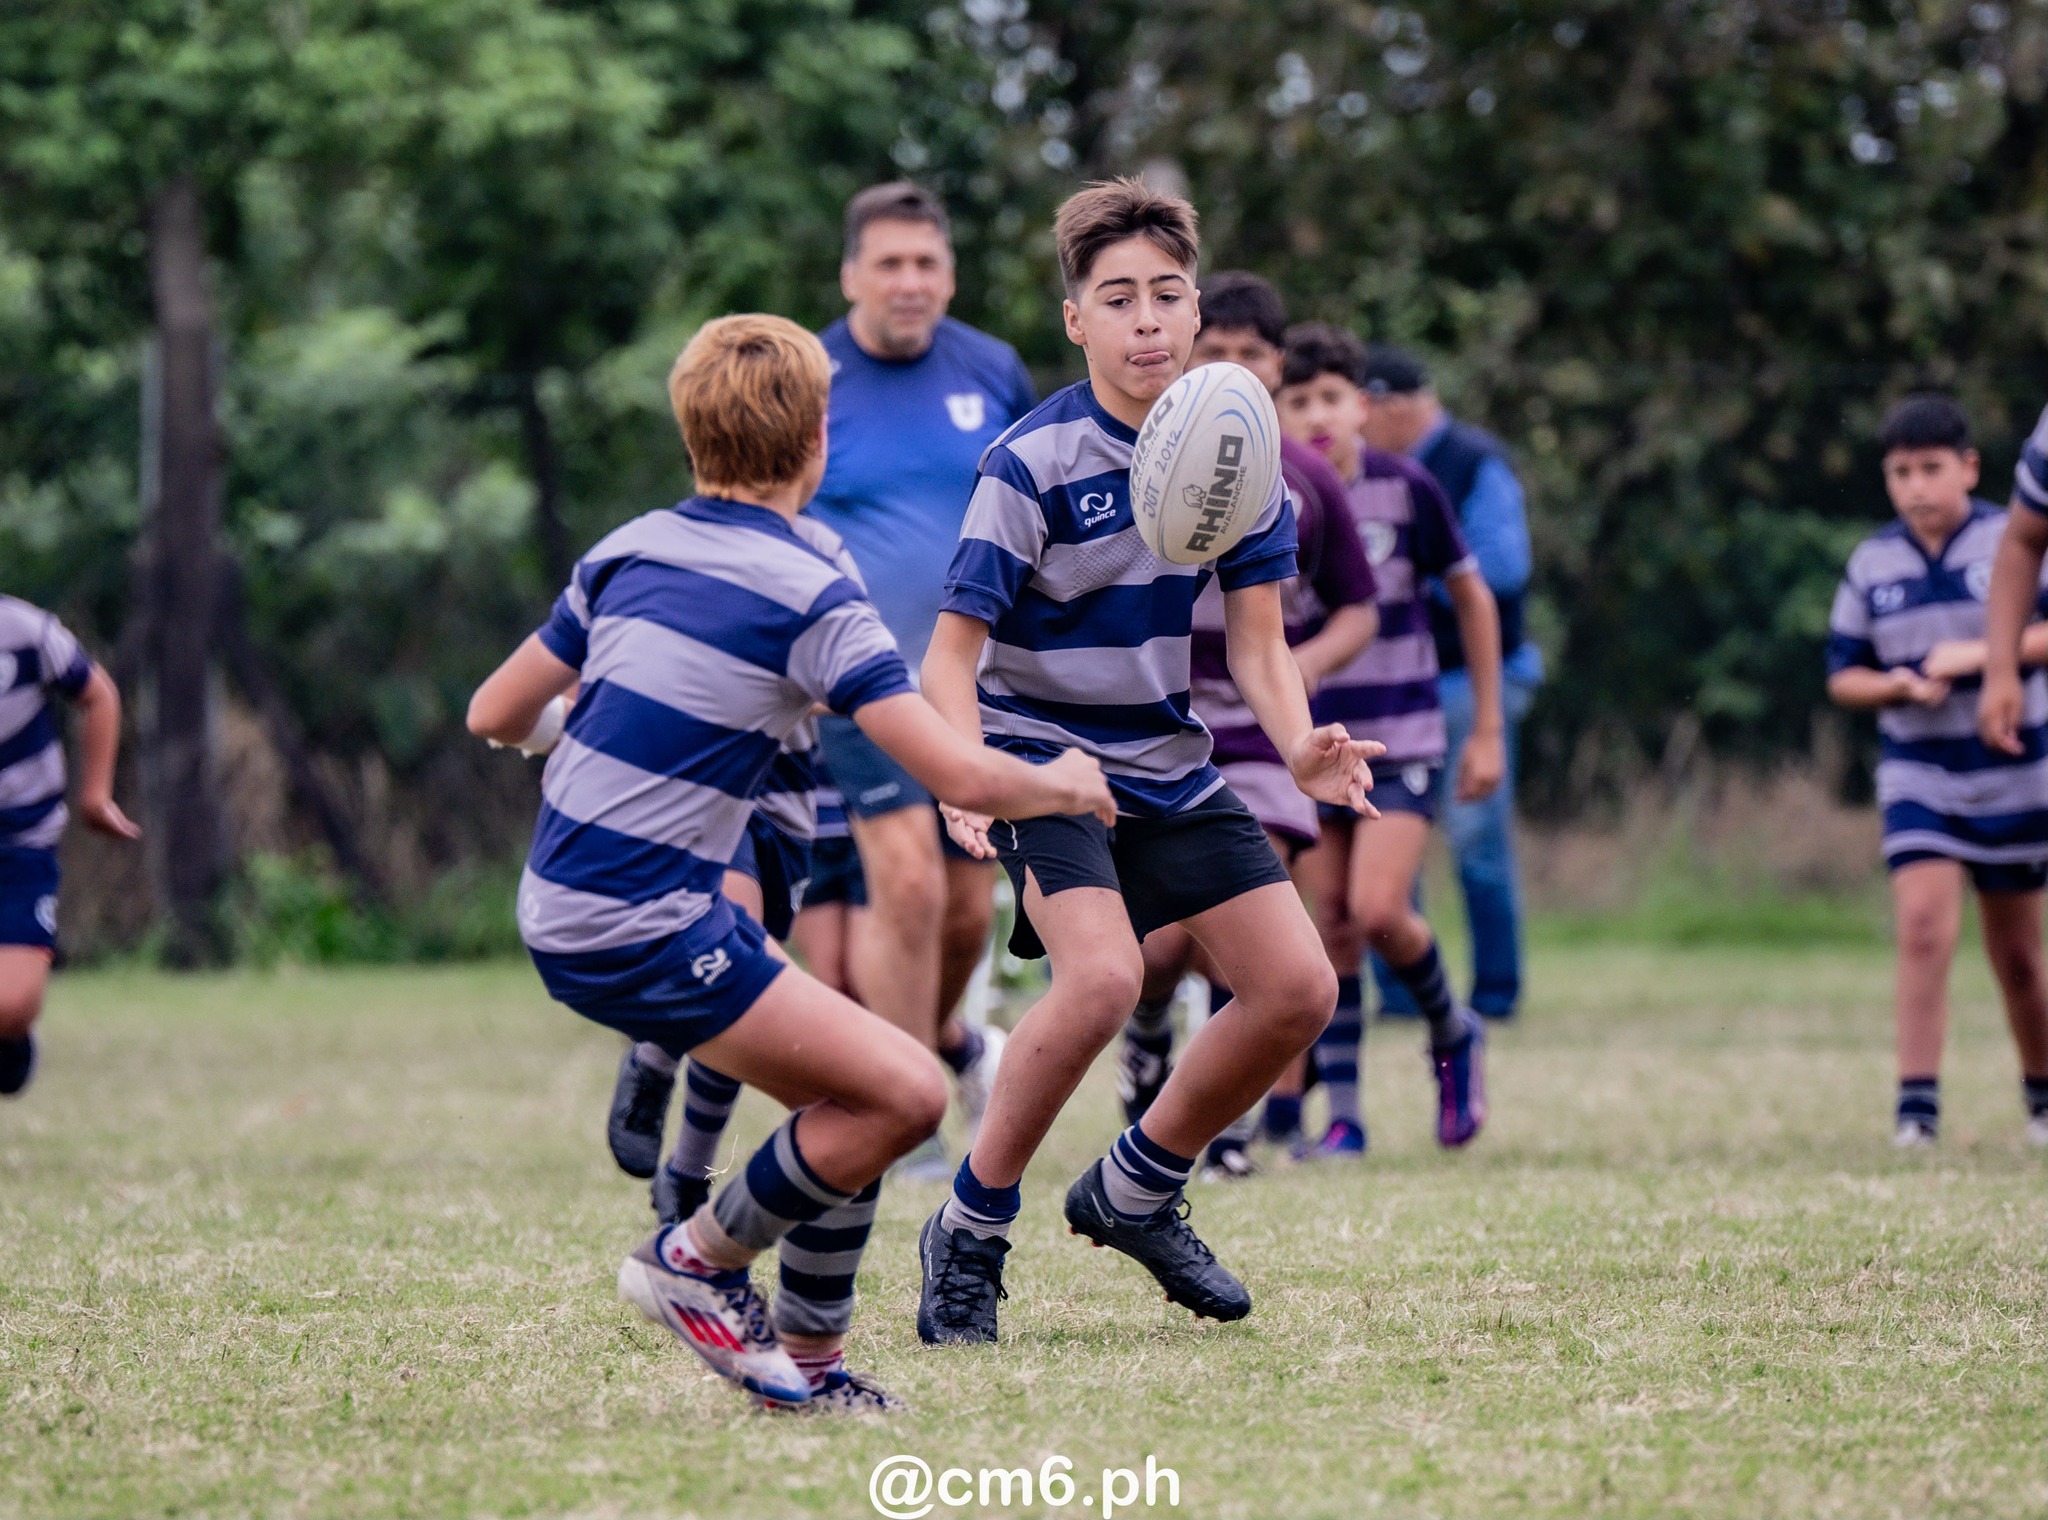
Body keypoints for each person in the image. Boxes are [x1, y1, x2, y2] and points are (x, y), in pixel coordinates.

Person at [467, 314, 1113, 1412]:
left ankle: (807, 1367)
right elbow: (949, 769)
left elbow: (495, 710)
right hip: (641, 920)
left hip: (569, 898)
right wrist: (1062, 779)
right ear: (818, 438)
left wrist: (611, 720)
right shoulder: (807, 590)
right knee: (905, 1092)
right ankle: (692, 1257)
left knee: (853, 1085)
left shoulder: (626, 549)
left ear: (690, 434)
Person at [913, 179, 1382, 1346]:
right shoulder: (1027, 464)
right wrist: (965, 775)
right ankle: (968, 1226)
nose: (1146, 320)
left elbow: (1260, 644)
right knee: (1104, 978)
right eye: (1115, 298)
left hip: (1164, 761)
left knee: (1296, 989)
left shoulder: (1237, 456)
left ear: (1193, 307)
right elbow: (948, 659)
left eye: (1166, 295)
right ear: (1074, 319)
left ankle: (1134, 1185)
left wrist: (1299, 744)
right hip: (1040, 761)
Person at [1109, 272, 1381, 1178]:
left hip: (1263, 737)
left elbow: (1358, 607)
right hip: (1154, 728)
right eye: (1212, 350)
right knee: (1155, 950)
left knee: (1242, 909)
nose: (1228, 368)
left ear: (1275, 363)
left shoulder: (1301, 477)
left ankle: (1224, 1131)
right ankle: (1148, 1032)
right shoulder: (1132, 459)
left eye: (1248, 355)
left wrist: (1293, 676)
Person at [801, 182, 1040, 1179]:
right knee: (899, 881)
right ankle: (906, 1122)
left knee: (956, 907)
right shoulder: (807, 374)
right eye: (888, 263)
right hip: (853, 677)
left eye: (925, 263)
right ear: (852, 272)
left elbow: (1040, 506)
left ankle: (941, 1041)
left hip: (974, 687)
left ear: (949, 274)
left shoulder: (991, 371)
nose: (908, 282)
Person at [1279, 323, 1503, 1159]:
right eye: (1296, 401)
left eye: (1332, 397)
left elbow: (1473, 598)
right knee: (1329, 922)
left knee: (1378, 911)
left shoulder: (1407, 490)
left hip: (1403, 735)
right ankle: (1345, 1118)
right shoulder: (1272, 497)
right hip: (1313, 746)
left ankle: (1452, 1028)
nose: (1317, 415)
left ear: (1364, 407)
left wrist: (1486, 727)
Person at [1838, 394, 2048, 1147]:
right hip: (1917, 770)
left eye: (1931, 469)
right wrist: (1892, 686)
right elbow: (1843, 674)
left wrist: (1981, 656)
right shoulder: (1873, 563)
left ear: (1969, 467)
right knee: (1924, 928)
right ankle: (1916, 1112)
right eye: (1900, 473)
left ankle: (2041, 1096)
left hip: (2013, 765)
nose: (1917, 487)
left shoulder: (2012, 538)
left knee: (2019, 956)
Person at [1360, 344, 1537, 1023]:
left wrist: (1410, 579)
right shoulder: (1365, 470)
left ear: (1393, 407)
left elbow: (1502, 567)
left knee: (1476, 840)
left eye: (1363, 408)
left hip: (1467, 682)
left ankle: (1495, 995)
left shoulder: (1474, 461)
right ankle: (1402, 996)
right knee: (1385, 846)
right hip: (1390, 685)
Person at [0, 597, 140, 1096]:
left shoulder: (25, 632)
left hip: (19, 841)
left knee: (10, 1007)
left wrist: (95, 795)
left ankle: (13, 1046)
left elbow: (97, 694)